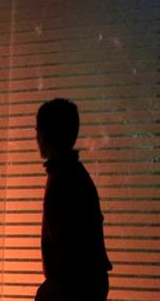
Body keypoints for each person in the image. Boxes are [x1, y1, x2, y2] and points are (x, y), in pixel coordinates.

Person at [34, 99, 111, 301]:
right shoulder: (73, 175)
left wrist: (50, 292)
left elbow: (67, 252)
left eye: (38, 130)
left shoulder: (63, 180)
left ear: (45, 135)